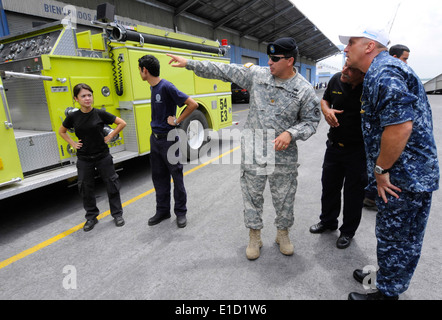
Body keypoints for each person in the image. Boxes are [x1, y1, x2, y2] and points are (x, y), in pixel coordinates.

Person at [167, 37, 321, 260]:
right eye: (269, 57)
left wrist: (291, 133)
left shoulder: (304, 90)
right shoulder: (257, 76)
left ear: (289, 61)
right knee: (252, 195)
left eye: (275, 59)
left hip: (283, 155)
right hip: (254, 151)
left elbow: (311, 122)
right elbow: (224, 70)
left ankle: (282, 234)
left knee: (285, 197)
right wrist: (190, 63)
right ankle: (254, 236)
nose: (269, 62)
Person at [339, 25, 439, 300]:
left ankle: (387, 294)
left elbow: (399, 128)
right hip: (406, 173)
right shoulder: (383, 70)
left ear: (369, 46)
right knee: (392, 233)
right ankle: (385, 276)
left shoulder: (384, 72)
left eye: (352, 43)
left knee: (398, 238)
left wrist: (382, 171)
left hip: (404, 176)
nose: (346, 49)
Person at [309, 62, 366, 249]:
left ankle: (347, 231)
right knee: (329, 187)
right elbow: (324, 100)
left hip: (358, 151)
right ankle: (328, 221)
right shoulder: (335, 80)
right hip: (333, 147)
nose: (344, 71)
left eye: (350, 69)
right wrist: (326, 110)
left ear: (362, 73)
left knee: (353, 194)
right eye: (344, 66)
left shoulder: (370, 87)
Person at [138, 55, 198, 228]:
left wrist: (178, 120)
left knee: (176, 177)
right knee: (159, 177)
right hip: (155, 139)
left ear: (145, 70)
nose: (140, 73)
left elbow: (192, 104)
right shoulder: (153, 88)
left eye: (140, 70)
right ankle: (163, 211)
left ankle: (181, 212)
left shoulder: (166, 87)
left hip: (169, 140)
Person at [59, 83, 127, 232]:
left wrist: (110, 136)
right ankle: (91, 217)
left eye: (89, 95)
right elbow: (62, 131)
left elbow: (122, 123)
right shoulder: (73, 116)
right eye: (83, 96)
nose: (87, 98)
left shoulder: (99, 113)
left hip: (102, 156)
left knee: (112, 184)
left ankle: (117, 214)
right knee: (85, 188)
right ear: (76, 99)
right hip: (84, 158)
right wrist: (73, 143)